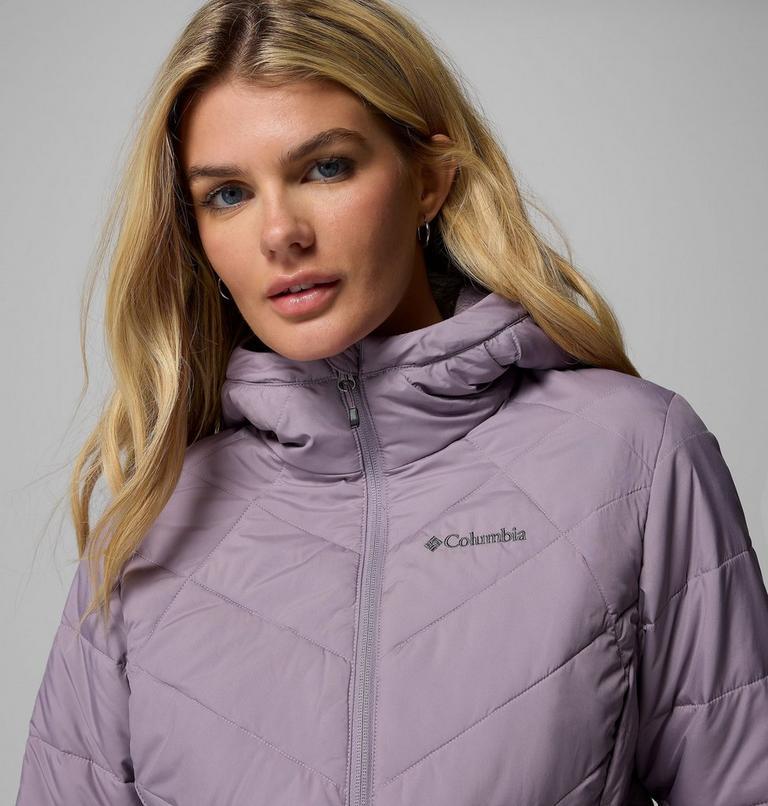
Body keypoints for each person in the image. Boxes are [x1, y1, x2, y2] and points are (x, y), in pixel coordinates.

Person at [15, 0, 768, 804]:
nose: (280, 233)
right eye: (229, 194)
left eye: (325, 168)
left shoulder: (632, 458)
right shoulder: (150, 525)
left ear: (429, 180)